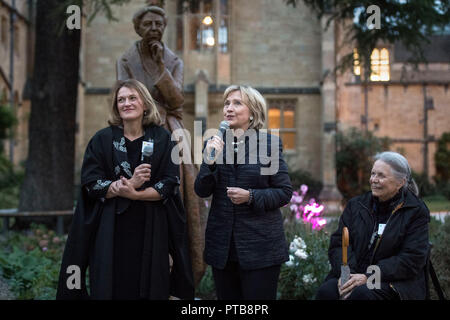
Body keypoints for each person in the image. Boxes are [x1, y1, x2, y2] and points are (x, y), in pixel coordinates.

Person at [56, 79, 194, 300]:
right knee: (112, 284)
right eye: (121, 100)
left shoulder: (162, 139)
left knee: (149, 285)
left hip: (151, 226)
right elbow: (91, 182)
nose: (126, 103)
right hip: (110, 227)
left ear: (145, 104)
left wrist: (135, 193)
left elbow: (169, 183)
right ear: (116, 106)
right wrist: (122, 187)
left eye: (132, 98)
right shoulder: (102, 140)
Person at [117, 5, 206, 285]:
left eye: (159, 24)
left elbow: (177, 100)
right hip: (133, 128)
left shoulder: (173, 60)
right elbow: (122, 96)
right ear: (138, 28)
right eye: (149, 24)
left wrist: (160, 68)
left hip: (168, 129)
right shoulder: (126, 59)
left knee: (178, 192)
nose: (155, 29)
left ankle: (180, 268)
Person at [194, 85, 293, 300]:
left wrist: (251, 196)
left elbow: (284, 192)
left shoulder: (269, 145)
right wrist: (210, 160)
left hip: (261, 247)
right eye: (226, 103)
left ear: (253, 112)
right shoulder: (214, 144)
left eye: (237, 103)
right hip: (223, 246)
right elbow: (201, 190)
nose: (229, 108)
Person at [316, 151, 430, 300]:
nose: (373, 180)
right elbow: (339, 244)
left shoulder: (415, 211)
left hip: (390, 281)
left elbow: (411, 259)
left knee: (363, 294)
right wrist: (347, 276)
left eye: (381, 175)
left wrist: (368, 276)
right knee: (327, 292)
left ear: (401, 182)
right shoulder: (356, 205)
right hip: (353, 273)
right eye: (373, 174)